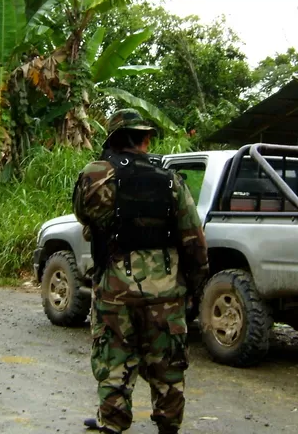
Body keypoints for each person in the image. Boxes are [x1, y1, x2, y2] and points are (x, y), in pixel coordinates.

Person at [73, 109, 209, 434]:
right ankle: (168, 426)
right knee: (168, 367)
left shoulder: (94, 174)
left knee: (113, 360)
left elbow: (84, 216)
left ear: (114, 140)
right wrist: (193, 287)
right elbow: (194, 240)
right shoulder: (170, 179)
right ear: (144, 140)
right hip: (165, 292)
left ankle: (113, 422)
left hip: (114, 289)